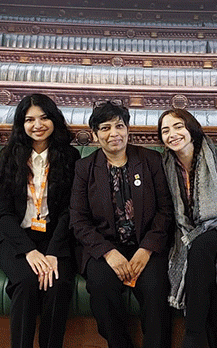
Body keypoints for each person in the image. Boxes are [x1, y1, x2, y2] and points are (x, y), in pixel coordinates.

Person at [69, 100, 174, 348]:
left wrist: (147, 248)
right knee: (102, 289)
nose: (114, 133)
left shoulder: (151, 160)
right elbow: (78, 220)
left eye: (119, 126)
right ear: (95, 135)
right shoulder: (85, 168)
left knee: (156, 291)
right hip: (104, 250)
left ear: (128, 129)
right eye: (105, 128)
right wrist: (108, 252)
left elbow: (165, 211)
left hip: (146, 247)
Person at [0, 93, 81, 348]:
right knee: (26, 283)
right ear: (21, 124)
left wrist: (52, 252)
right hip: (16, 239)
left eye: (44, 117)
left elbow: (70, 212)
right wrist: (29, 251)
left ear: (54, 120)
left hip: (55, 238)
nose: (37, 125)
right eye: (29, 120)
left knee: (58, 285)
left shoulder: (70, 157)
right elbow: (3, 214)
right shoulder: (8, 157)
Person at [158, 108, 217, 348]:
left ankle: (194, 334)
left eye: (178, 126)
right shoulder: (161, 165)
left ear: (191, 128)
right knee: (200, 253)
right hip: (181, 236)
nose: (172, 134)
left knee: (203, 244)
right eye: (165, 131)